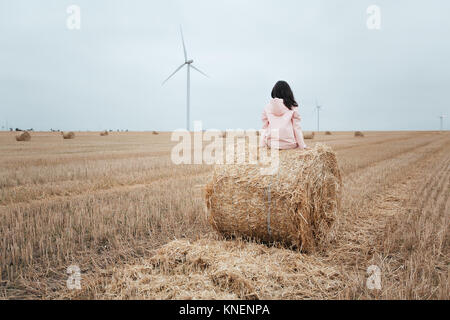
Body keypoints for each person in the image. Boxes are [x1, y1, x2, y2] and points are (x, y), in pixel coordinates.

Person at [260, 80, 308, 150]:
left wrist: (262, 146)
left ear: (274, 92)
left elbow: (264, 128)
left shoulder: (267, 107)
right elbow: (296, 128)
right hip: (289, 144)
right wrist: (303, 146)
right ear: (288, 93)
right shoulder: (292, 107)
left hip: (272, 144)